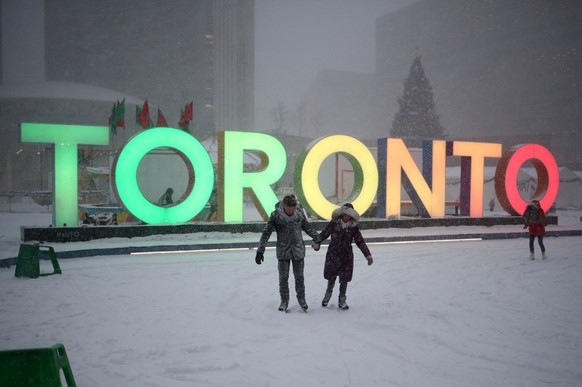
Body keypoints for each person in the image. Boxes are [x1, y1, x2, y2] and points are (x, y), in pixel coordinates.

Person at [255, 195, 320, 312]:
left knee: (299, 277)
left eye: (293, 207)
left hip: (298, 251)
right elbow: (266, 232)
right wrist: (260, 250)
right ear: (283, 206)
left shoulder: (299, 215)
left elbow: (308, 228)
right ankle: (284, 301)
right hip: (283, 251)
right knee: (283, 278)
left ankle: (302, 300)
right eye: (288, 207)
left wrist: (318, 239)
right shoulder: (276, 216)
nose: (291, 210)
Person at [315, 203, 373, 310]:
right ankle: (328, 294)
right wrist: (317, 242)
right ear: (341, 214)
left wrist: (367, 255)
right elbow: (324, 233)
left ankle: (342, 299)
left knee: (344, 279)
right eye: (345, 214)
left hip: (346, 255)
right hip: (333, 253)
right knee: (331, 276)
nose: (346, 217)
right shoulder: (334, 223)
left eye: (348, 215)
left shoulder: (353, 227)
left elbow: (360, 241)